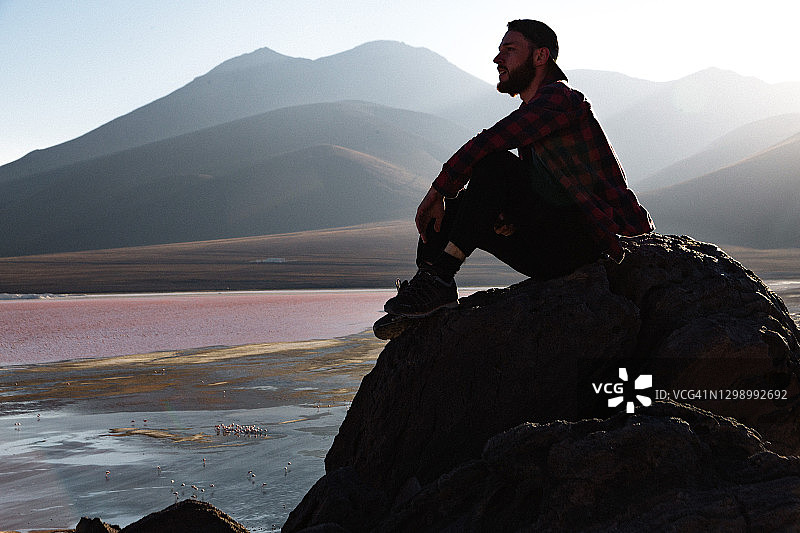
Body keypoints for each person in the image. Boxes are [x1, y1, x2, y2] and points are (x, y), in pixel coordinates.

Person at [383, 19, 654, 318]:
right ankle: (430, 286)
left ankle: (440, 276)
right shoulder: (534, 114)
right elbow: (542, 190)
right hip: (553, 247)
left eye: (509, 50)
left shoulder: (559, 99)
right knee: (455, 209)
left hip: (594, 244)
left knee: (494, 164)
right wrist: (505, 214)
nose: (498, 59)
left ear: (540, 56)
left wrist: (438, 190)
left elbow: (490, 142)